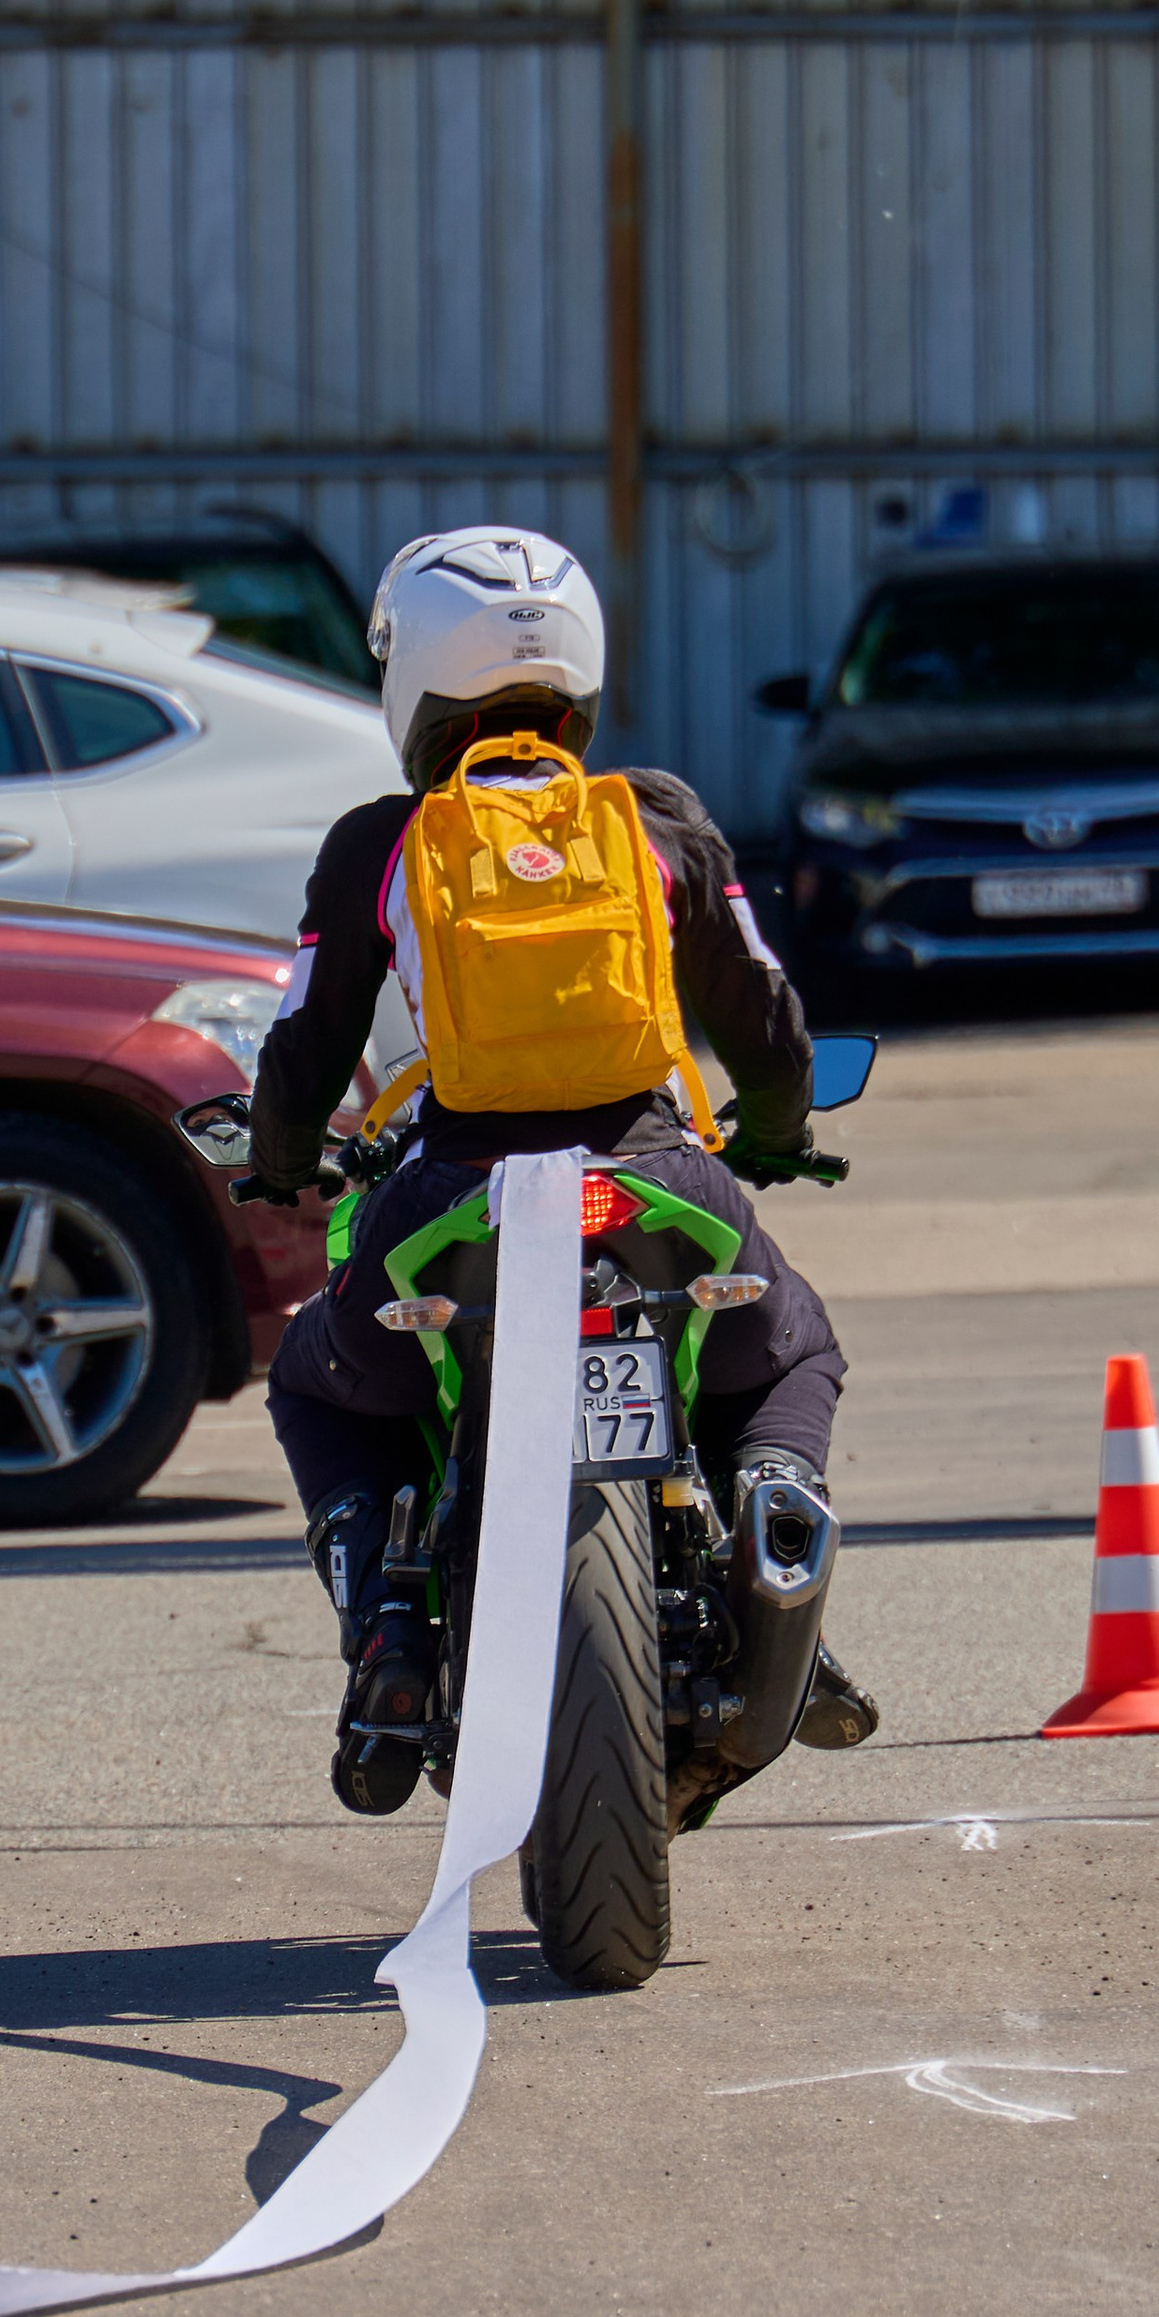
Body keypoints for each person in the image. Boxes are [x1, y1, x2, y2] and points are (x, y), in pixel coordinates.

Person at [243, 523, 877, 1815]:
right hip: (657, 1187)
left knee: (317, 1379)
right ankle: (771, 1510)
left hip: (443, 1208)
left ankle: (385, 1616)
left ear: (408, 674)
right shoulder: (657, 820)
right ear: (581, 666)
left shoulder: (380, 843)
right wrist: (775, 1129)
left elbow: (307, 1045)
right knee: (792, 1345)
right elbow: (763, 1017)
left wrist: (276, 1157)